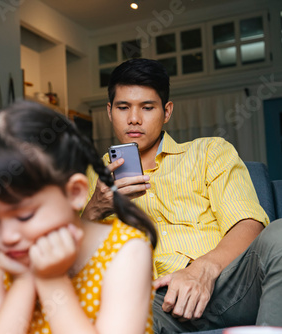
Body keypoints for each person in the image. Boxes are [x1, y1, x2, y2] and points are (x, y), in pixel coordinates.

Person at [83, 58, 282, 333]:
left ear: (167, 111)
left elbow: (249, 224)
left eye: (147, 107)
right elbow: (71, 260)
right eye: (123, 107)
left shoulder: (209, 152)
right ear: (109, 111)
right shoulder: (95, 177)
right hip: (153, 302)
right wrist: (94, 209)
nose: (133, 119)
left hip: (228, 282)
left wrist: (203, 269)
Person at [0, 100, 157, 334]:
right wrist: (24, 281)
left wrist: (51, 280)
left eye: (24, 216)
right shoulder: (0, 256)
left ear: (75, 193)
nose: (7, 236)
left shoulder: (126, 251)